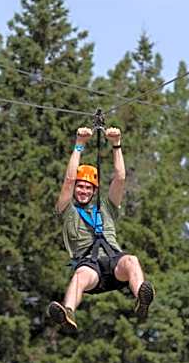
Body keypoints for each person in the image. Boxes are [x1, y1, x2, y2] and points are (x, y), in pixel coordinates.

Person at [47, 126, 155, 330]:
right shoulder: (67, 209)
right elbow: (69, 180)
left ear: (94, 190)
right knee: (80, 276)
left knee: (132, 260)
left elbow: (120, 177)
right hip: (90, 265)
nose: (83, 191)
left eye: (88, 188)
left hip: (114, 262)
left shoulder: (106, 207)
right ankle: (68, 313)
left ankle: (141, 299)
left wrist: (116, 144)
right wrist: (79, 144)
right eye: (81, 186)